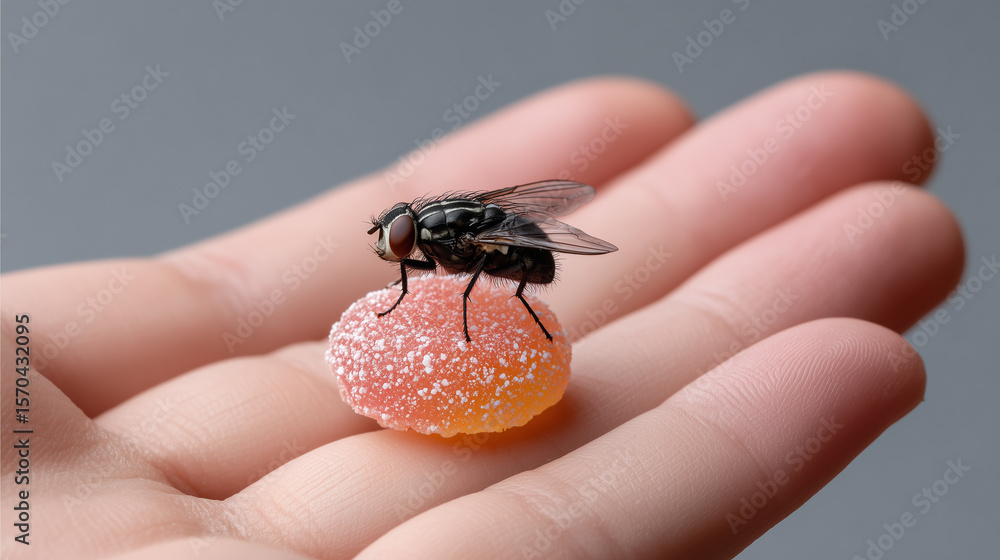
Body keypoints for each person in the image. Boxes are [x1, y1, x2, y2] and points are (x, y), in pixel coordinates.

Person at [1, 72, 963, 559]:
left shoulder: (454, 247)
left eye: (400, 240)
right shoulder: (428, 241)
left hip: (518, 265)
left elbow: (506, 249)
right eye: (397, 242)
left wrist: (479, 324)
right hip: (496, 279)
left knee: (485, 278)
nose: (398, 250)